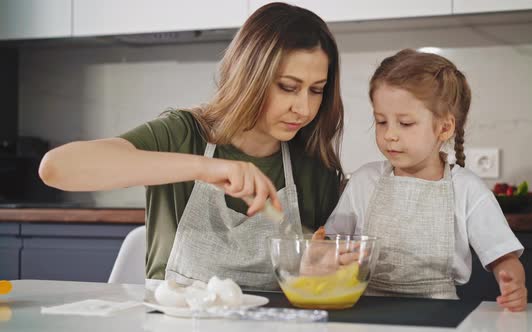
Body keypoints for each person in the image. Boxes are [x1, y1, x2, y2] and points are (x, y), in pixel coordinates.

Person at [39, 2, 344, 290]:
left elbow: (324, 281)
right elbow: (56, 168)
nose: (303, 109)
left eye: (316, 90)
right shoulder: (182, 135)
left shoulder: (314, 167)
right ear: (250, 76)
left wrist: (322, 268)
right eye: (288, 87)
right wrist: (205, 168)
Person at [324, 49, 527, 311]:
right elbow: (328, 244)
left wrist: (512, 282)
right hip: (366, 310)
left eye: (405, 123)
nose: (390, 135)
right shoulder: (365, 181)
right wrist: (330, 255)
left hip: (439, 314)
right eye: (381, 121)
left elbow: (504, 256)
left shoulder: (467, 189)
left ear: (444, 127)